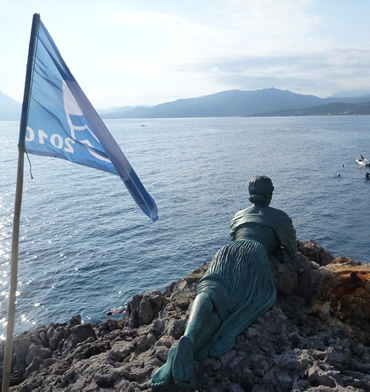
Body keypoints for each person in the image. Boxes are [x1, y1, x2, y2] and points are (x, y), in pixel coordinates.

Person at [148, 176, 297, 389]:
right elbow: (291, 251)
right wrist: (281, 254)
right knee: (230, 309)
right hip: (253, 254)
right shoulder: (281, 218)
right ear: (269, 193)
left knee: (211, 289)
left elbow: (233, 235)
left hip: (225, 253)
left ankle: (188, 338)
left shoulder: (239, 215)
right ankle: (192, 350)